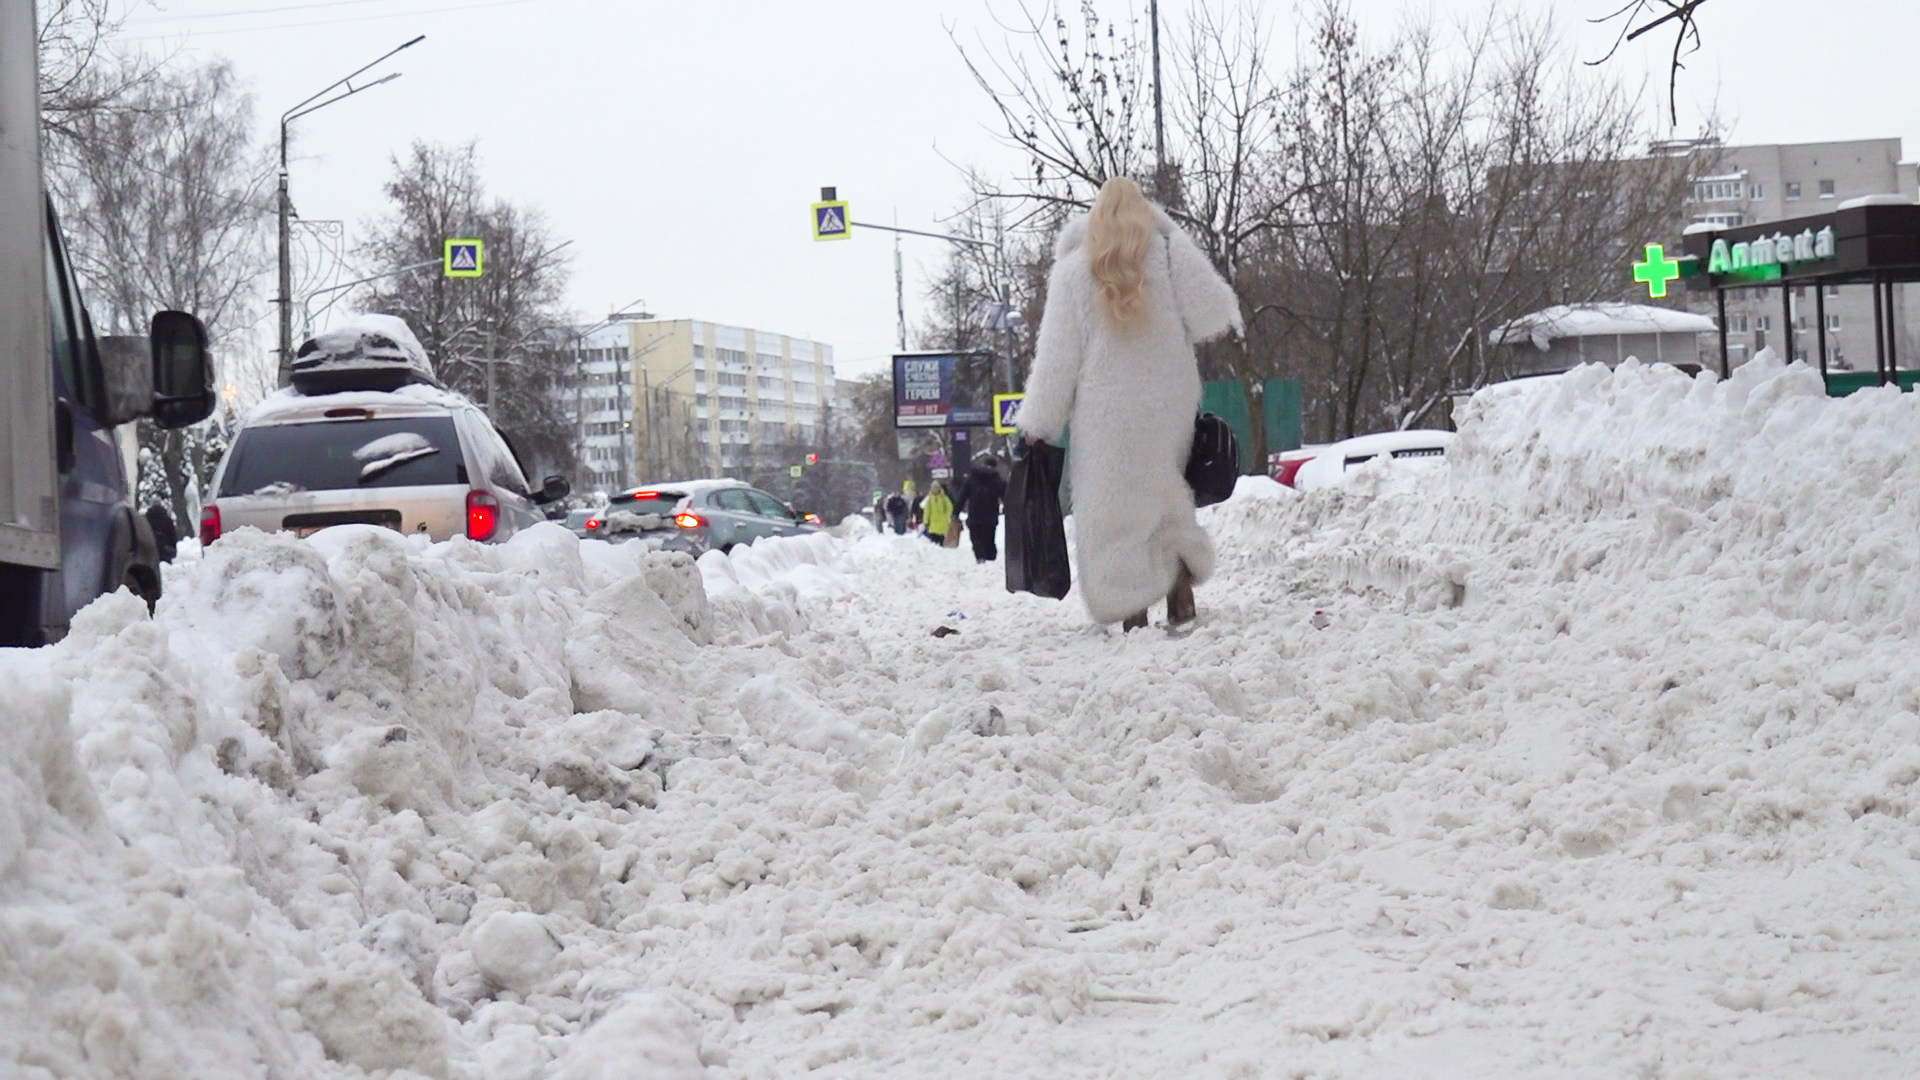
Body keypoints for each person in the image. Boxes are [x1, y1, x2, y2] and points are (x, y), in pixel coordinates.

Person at [1015, 176, 1241, 630]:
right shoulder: (1169, 255)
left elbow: (1058, 357)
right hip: (1168, 402)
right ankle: (1179, 589)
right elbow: (1216, 312)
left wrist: (1039, 421)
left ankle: (1130, 607)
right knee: (1166, 493)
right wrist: (1173, 233)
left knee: (1112, 510)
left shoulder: (1075, 271)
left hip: (1106, 410)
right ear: (1147, 212)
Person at [959, 452, 1007, 563]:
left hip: (975, 514)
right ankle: (990, 558)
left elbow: (963, 496)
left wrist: (955, 513)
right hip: (990, 515)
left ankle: (980, 556)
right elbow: (1005, 496)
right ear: (995, 466)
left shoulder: (972, 478)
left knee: (976, 537)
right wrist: (1009, 509)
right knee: (989, 538)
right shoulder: (997, 480)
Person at [920, 481, 954, 545]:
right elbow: (927, 510)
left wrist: (947, 516)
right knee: (934, 542)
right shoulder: (930, 499)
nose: (935, 489)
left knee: (941, 540)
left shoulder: (944, 498)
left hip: (942, 523)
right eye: (933, 487)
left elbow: (950, 507)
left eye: (936, 487)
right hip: (933, 523)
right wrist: (926, 520)